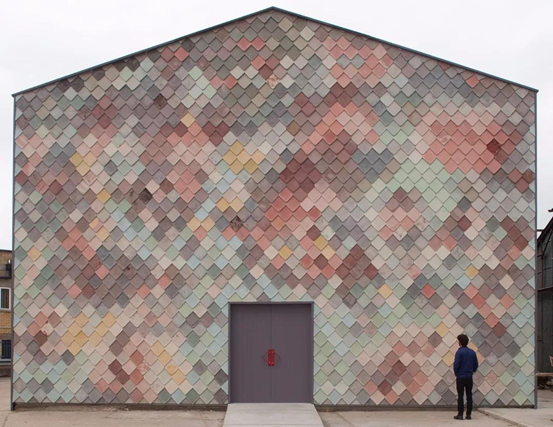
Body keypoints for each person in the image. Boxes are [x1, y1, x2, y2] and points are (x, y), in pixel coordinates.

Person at [453, 334, 478, 420]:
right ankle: (468, 414)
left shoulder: (459, 352)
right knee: (469, 395)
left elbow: (456, 364)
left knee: (460, 396)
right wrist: (472, 371)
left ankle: (460, 414)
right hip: (469, 376)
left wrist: (456, 372)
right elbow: (475, 364)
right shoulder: (472, 352)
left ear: (460, 342)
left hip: (461, 376)